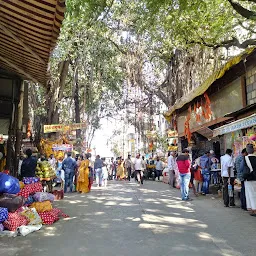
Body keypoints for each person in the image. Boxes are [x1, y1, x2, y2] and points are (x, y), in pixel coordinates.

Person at [243, 144, 256, 216]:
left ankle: (253, 209)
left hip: (249, 178)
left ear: (247, 151)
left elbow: (244, 170)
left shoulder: (245, 158)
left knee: (251, 194)